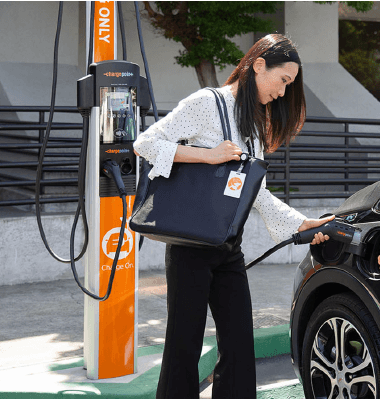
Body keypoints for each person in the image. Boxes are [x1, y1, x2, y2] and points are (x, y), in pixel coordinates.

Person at [133, 34, 333, 399]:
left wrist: (300, 224)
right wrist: (206, 156)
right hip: (191, 244)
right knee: (184, 345)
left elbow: (256, 191)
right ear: (259, 65)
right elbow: (145, 143)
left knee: (240, 344)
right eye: (283, 81)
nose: (284, 92)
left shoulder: (254, 122)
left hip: (228, 246)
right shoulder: (206, 103)